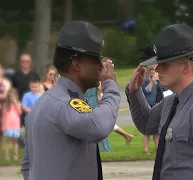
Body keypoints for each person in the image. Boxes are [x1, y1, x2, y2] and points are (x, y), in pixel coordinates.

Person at [126, 24, 193, 180]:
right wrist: (134, 91)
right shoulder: (171, 102)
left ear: (185, 68)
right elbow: (147, 124)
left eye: (164, 64)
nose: (157, 68)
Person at [21, 21, 120, 180]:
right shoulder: (65, 103)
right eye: (96, 60)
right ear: (77, 65)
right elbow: (98, 127)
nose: (101, 67)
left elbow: (27, 166)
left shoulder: (44, 101)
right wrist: (111, 85)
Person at [141, 65, 162, 154]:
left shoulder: (158, 81)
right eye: (153, 70)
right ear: (149, 71)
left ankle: (158, 148)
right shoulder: (145, 81)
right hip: (148, 105)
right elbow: (146, 91)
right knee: (147, 129)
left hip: (156, 105)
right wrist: (152, 81)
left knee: (157, 130)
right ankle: (145, 149)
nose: (155, 71)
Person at [2, 88, 22, 160]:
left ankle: (15, 155)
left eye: (13, 96)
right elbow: (4, 116)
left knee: (15, 141)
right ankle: (7, 155)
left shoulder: (18, 103)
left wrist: (16, 103)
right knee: (7, 141)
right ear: (8, 96)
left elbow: (19, 112)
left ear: (16, 96)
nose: (12, 97)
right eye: (10, 96)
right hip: (8, 126)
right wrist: (3, 126)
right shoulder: (6, 105)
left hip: (16, 125)